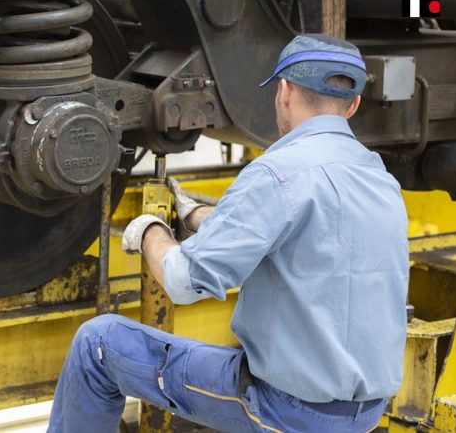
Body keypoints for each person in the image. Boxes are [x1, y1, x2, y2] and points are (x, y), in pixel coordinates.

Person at [47, 34, 409, 432]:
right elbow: (311, 238)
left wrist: (149, 231)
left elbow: (184, 283)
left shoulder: (278, 172)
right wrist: (201, 217)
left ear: (285, 91)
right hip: (363, 413)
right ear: (353, 104)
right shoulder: (378, 177)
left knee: (98, 344)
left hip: (285, 412)